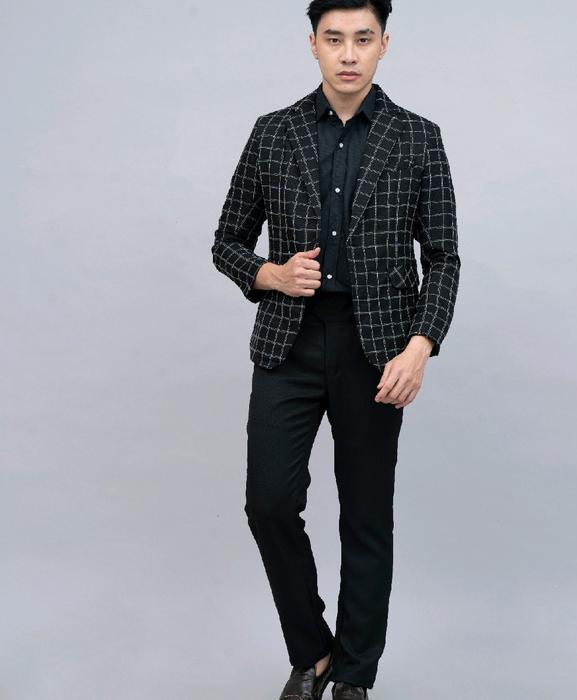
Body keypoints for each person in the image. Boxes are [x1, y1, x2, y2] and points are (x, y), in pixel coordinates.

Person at [210, 1, 460, 697]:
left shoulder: (418, 137)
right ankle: (313, 650)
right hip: (288, 344)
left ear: (384, 45)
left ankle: (354, 675)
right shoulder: (273, 132)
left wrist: (421, 345)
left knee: (367, 518)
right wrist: (269, 274)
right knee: (269, 504)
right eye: (334, 39)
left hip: (376, 350)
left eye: (362, 38)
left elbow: (443, 256)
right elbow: (227, 241)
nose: (348, 53)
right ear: (313, 46)